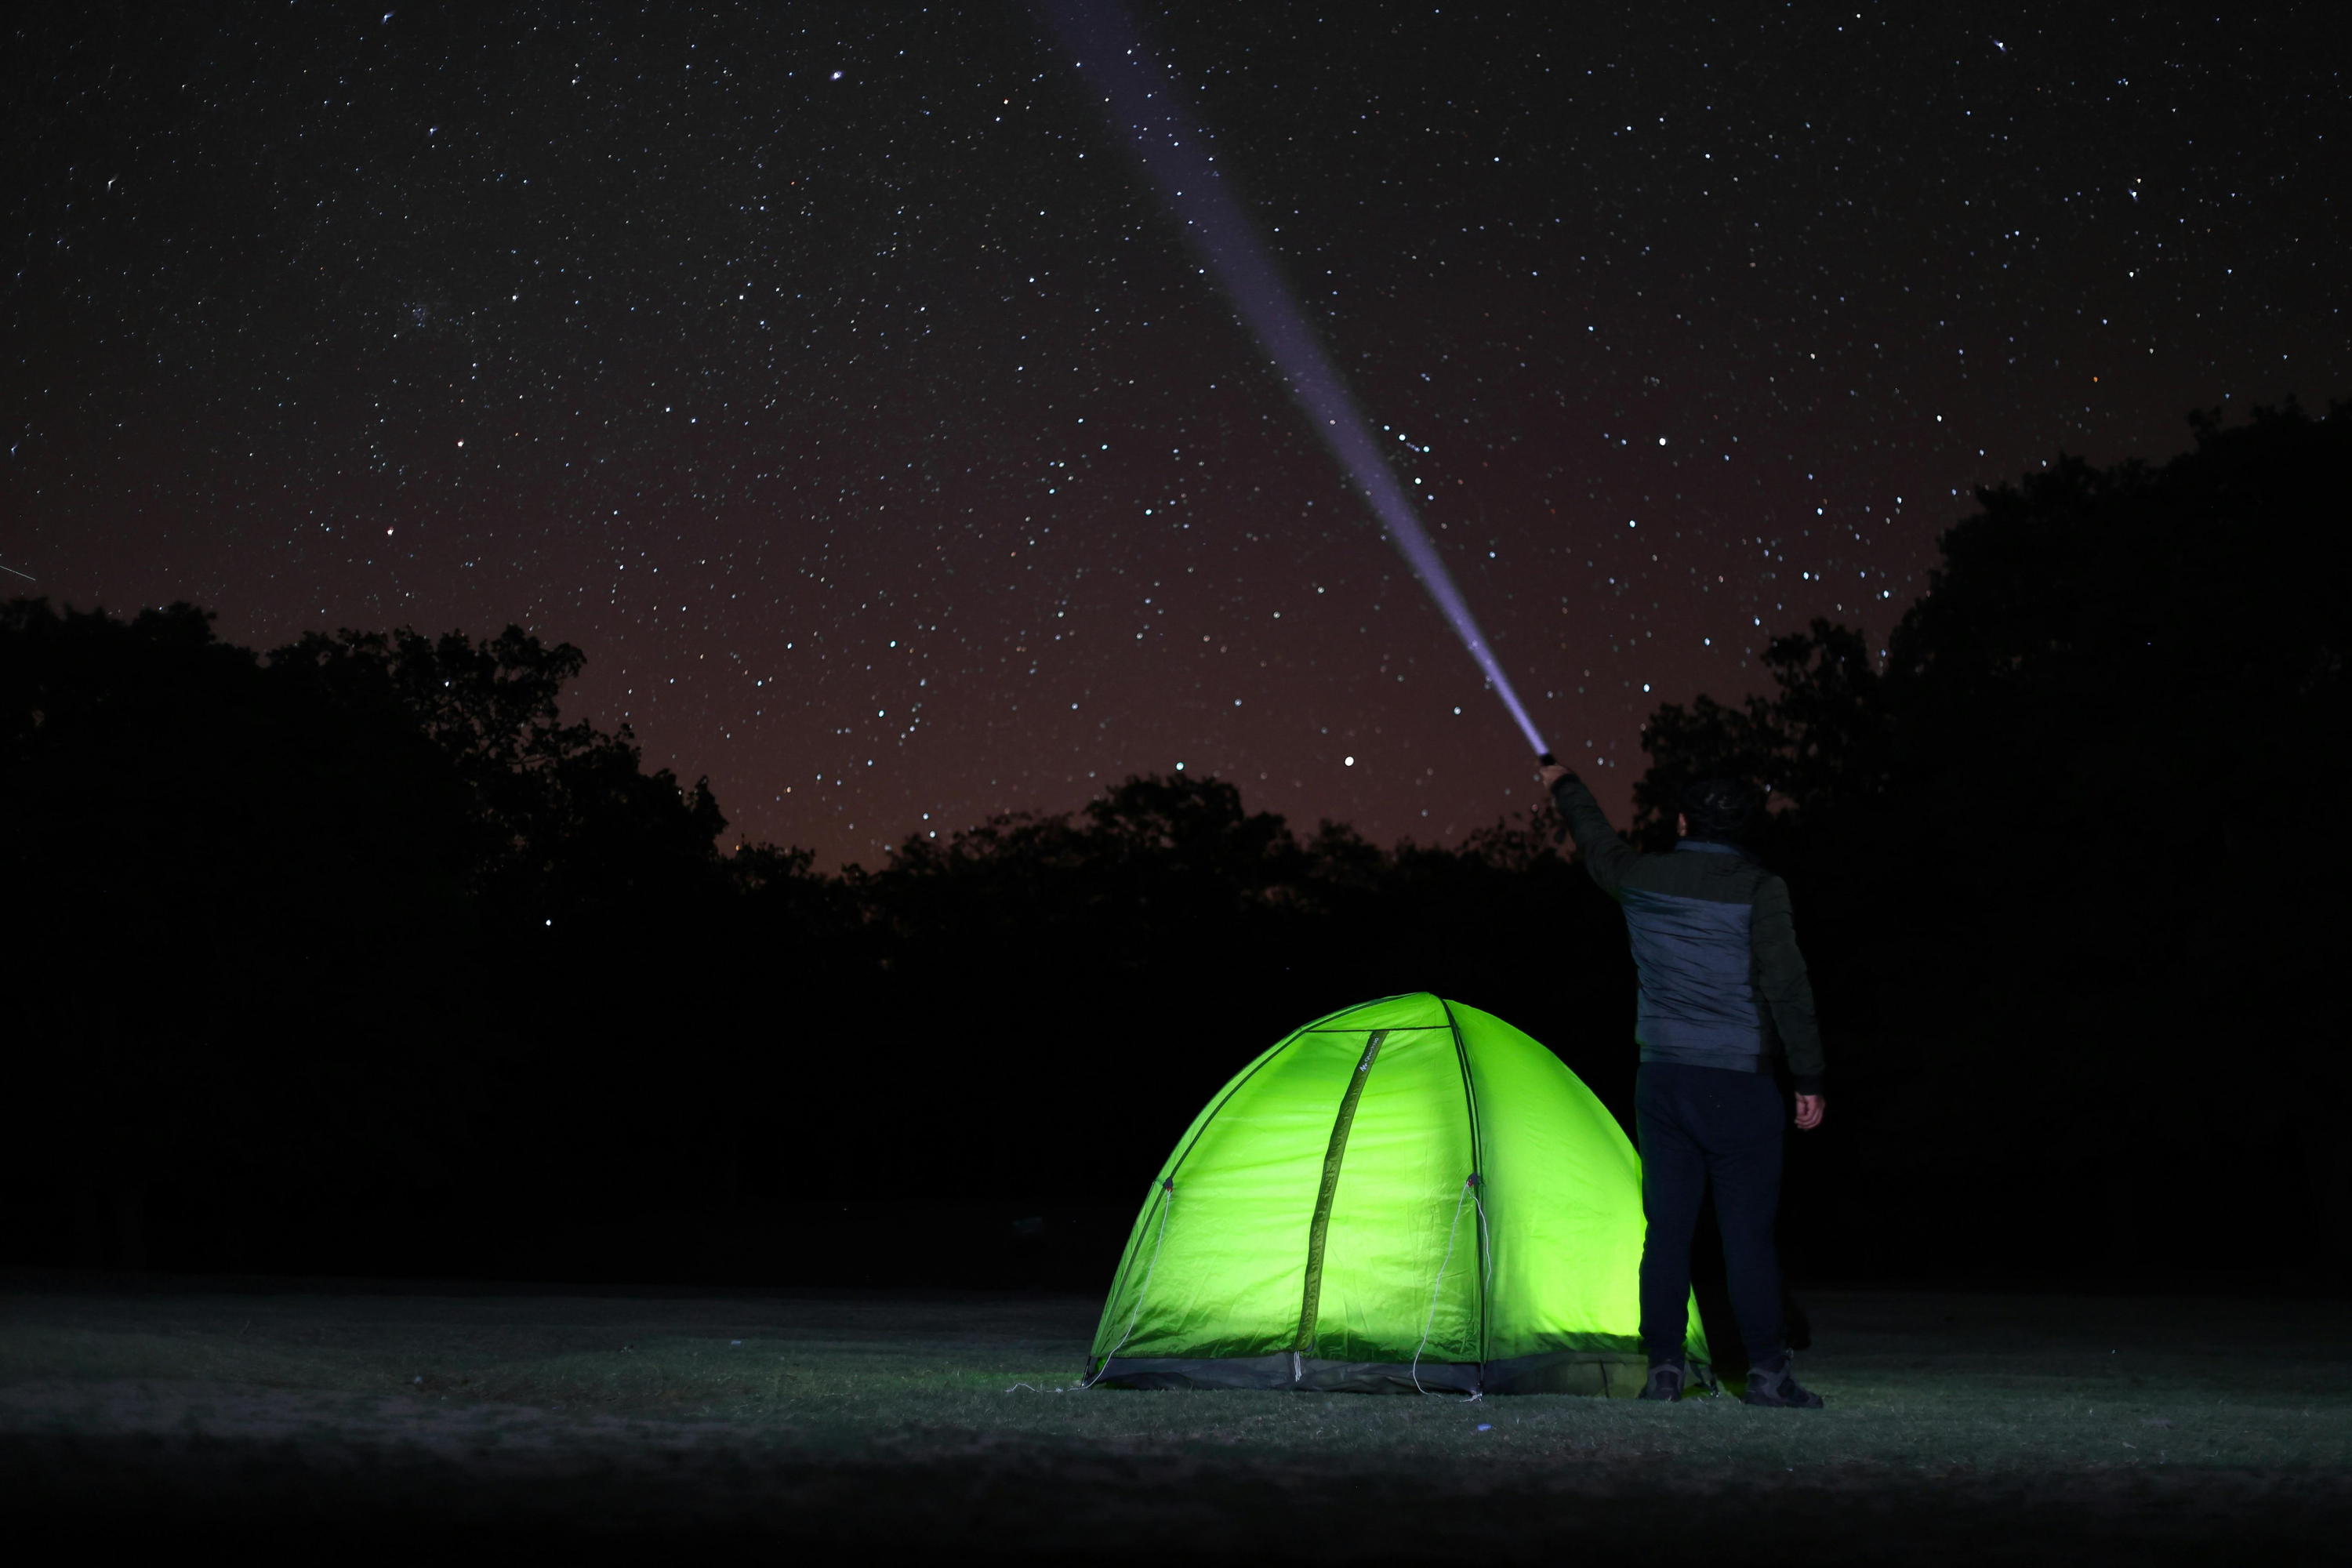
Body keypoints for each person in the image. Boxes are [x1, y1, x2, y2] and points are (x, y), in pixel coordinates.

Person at [1539, 761, 1827, 1408]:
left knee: (1666, 1232)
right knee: (1746, 1237)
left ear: (1682, 822)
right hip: (1740, 1085)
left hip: (1664, 1080)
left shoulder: (1643, 878)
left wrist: (1565, 785)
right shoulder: (1761, 889)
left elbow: (1595, 839)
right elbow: (1788, 985)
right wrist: (1808, 1075)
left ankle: (1664, 1369)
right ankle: (1767, 1375)